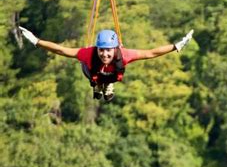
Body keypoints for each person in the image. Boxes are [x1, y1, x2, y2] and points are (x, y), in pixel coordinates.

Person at [19, 26, 194, 102]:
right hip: (92, 72)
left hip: (110, 75)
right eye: (101, 50)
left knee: (111, 72)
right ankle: (97, 85)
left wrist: (176, 46)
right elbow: (62, 50)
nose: (104, 54)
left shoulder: (122, 54)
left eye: (108, 50)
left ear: (115, 48)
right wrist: (37, 41)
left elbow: (151, 53)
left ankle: (107, 85)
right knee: (92, 68)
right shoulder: (90, 54)